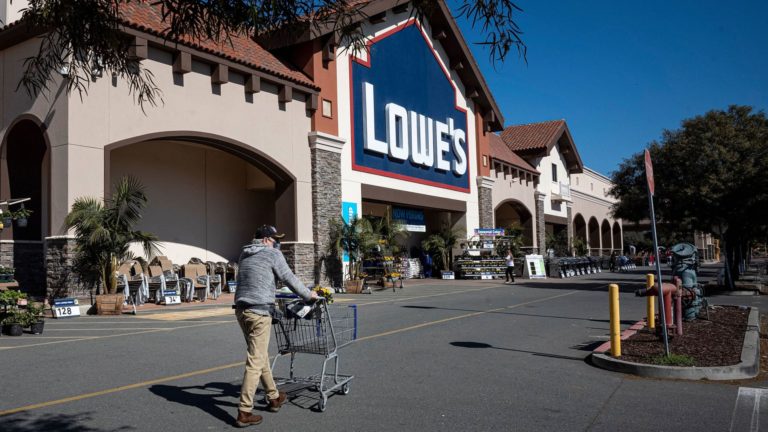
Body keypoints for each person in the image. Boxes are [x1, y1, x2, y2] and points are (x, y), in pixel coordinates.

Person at [234, 225, 318, 428]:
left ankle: (274, 397)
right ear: (264, 240)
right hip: (260, 312)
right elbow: (289, 278)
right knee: (255, 360)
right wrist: (309, 295)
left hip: (241, 310)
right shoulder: (272, 254)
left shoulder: (244, 254)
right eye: (274, 239)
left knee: (259, 355)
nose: (277, 243)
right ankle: (245, 411)